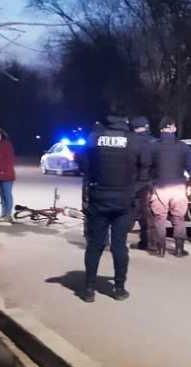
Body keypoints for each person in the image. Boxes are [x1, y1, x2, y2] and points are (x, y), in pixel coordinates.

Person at [77, 113, 152, 302]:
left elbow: (84, 165)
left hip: (99, 199)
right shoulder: (135, 141)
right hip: (123, 201)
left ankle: (89, 289)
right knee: (119, 246)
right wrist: (132, 190)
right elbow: (145, 170)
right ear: (125, 121)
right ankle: (119, 288)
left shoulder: (94, 138)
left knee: (95, 245)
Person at [150, 116, 191, 257]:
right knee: (178, 219)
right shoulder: (183, 147)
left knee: (160, 218)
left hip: (160, 188)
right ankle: (178, 249)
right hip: (178, 188)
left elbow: (146, 165)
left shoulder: (153, 146)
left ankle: (161, 249)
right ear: (173, 128)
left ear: (161, 130)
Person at [127, 116, 157, 250]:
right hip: (152, 183)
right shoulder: (155, 142)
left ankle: (118, 242)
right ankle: (150, 243)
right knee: (148, 214)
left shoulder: (132, 141)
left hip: (134, 182)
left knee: (128, 212)